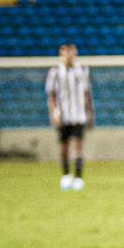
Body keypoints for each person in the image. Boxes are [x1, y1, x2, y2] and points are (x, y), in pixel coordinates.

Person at [46, 42, 93, 191]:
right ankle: (66, 176)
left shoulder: (83, 70)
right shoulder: (55, 72)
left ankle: (78, 178)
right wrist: (54, 113)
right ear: (61, 54)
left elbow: (87, 93)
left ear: (75, 53)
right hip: (63, 115)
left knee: (78, 147)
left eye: (71, 53)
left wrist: (90, 112)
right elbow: (51, 95)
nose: (68, 56)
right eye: (65, 53)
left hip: (79, 115)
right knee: (64, 147)